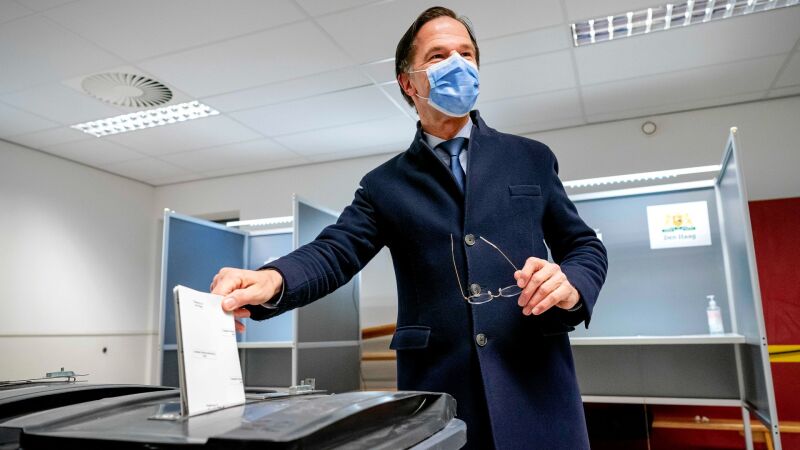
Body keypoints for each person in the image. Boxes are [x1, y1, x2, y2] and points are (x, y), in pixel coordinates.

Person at [211, 6, 607, 449]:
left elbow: (584, 245)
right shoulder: (385, 185)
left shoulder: (530, 158)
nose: (458, 64)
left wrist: (571, 284)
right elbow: (336, 251)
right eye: (439, 56)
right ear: (408, 82)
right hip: (440, 394)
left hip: (536, 385)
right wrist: (272, 279)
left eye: (467, 54)